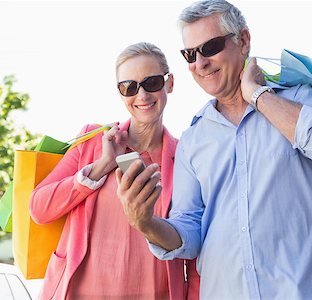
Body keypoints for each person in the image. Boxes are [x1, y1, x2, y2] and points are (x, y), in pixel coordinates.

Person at [117, 1, 312, 299]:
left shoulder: (298, 99)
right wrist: (146, 223)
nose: (200, 63)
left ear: (244, 40)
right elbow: (190, 232)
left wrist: (256, 95)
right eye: (190, 54)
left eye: (211, 47)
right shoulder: (193, 140)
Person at [29, 42, 200, 300]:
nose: (141, 95)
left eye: (152, 82)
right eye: (129, 87)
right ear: (120, 93)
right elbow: (39, 209)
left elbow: (195, 246)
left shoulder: (187, 158)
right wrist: (102, 166)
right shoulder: (92, 140)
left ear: (170, 83)